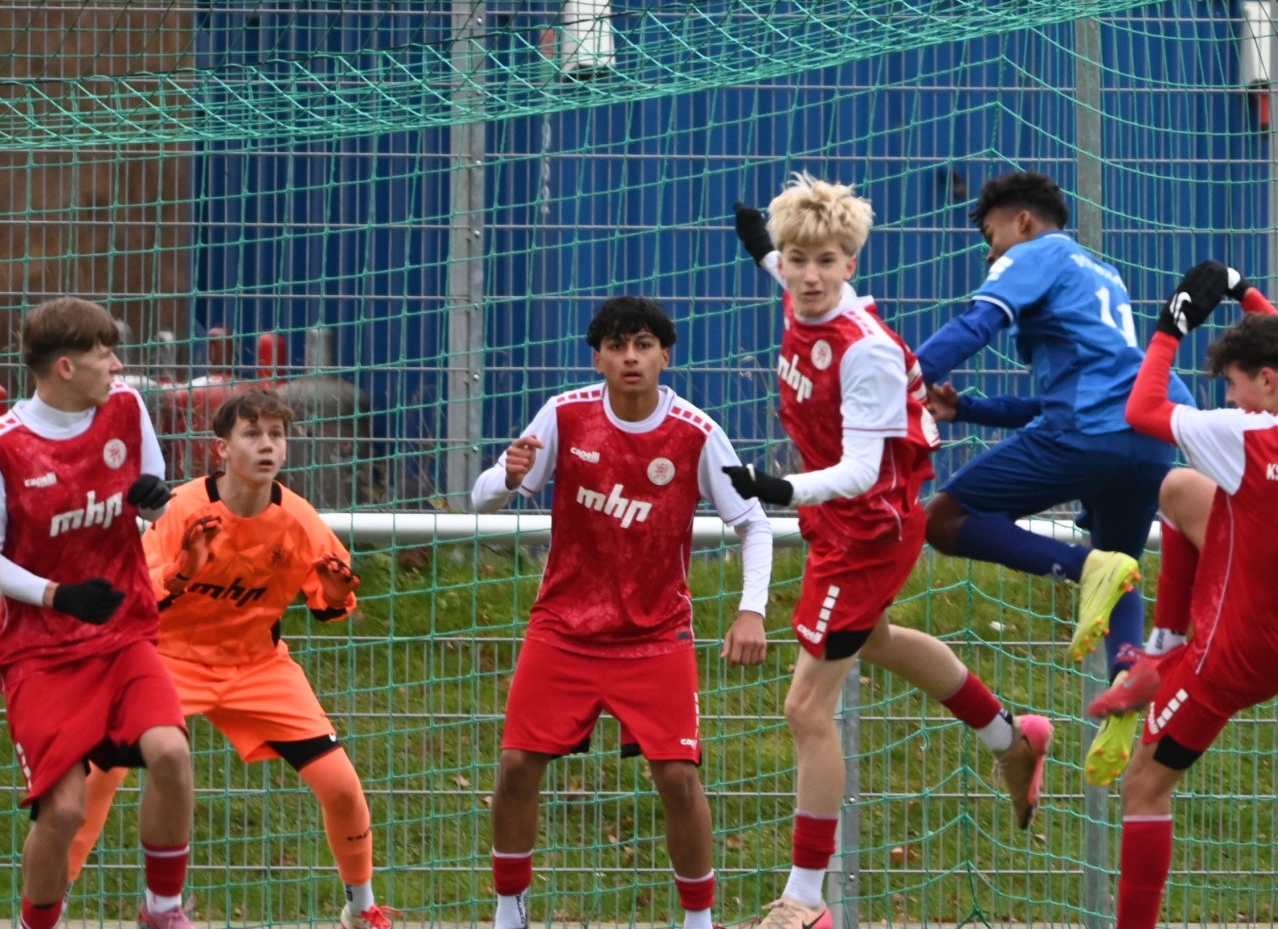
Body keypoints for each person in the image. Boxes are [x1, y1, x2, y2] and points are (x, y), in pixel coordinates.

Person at [728, 176, 1053, 929]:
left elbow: (860, 471)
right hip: (842, 525)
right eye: (797, 259)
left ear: (851, 264)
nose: (810, 275)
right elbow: (781, 264)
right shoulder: (799, 289)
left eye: (827, 261)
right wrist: (761, 243)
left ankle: (807, 901)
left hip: (867, 532)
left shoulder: (866, 352)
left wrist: (778, 488)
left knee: (805, 707)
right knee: (876, 641)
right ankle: (1011, 736)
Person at [472, 297, 774, 929]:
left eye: (642, 345)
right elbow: (481, 499)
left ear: (665, 356)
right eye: (616, 346)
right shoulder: (564, 415)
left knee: (678, 778)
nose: (630, 357)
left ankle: (699, 921)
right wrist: (507, 477)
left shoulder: (695, 432)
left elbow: (754, 525)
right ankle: (508, 912)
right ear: (598, 359)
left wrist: (751, 611)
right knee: (517, 765)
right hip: (563, 628)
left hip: (656, 635)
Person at [65, 388, 391, 929]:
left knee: (340, 784)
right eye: (252, 433)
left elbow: (331, 607)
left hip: (257, 665)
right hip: (168, 659)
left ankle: (361, 907)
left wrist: (336, 595)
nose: (267, 445)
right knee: (98, 774)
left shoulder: (300, 520)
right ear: (222, 448)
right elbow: (133, 597)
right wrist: (182, 574)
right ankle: (55, 900)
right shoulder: (181, 508)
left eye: (276, 435)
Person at [1090, 263, 1278, 929]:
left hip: (1238, 654)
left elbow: (1141, 410)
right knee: (1180, 489)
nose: (1231, 400)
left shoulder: (1250, 436)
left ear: (1266, 381)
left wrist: (1170, 326)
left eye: (1234, 386)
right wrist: (1240, 290)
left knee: (1144, 785)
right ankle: (1162, 650)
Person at [911, 170, 1194, 779]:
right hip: (1150, 438)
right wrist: (968, 409)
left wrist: (900, 377)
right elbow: (1066, 394)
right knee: (1121, 566)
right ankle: (1128, 677)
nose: (991, 255)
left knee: (944, 520)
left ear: (1022, 222)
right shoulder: (1102, 273)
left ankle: (1083, 570)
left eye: (992, 238)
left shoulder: (1038, 253)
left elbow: (976, 324)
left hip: (1090, 432)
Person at [0, 297, 194, 929]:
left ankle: (162, 910)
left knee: (171, 753)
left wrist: (154, 502)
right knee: (62, 812)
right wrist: (58, 595)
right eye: (104, 353)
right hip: (41, 653)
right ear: (64, 366)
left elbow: (154, 501)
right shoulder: (9, 446)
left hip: (123, 632)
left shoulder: (127, 408)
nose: (116, 365)